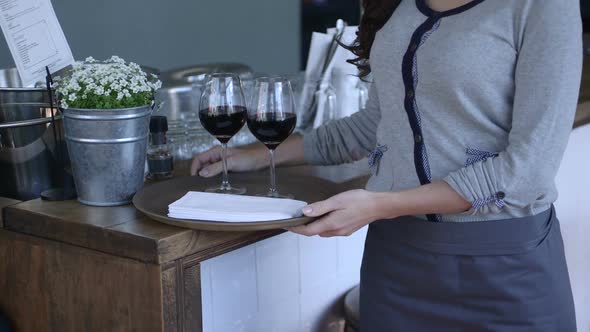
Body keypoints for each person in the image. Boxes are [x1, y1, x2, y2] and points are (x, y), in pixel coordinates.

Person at [191, 0, 582, 330]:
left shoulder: (543, 6)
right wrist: (255, 155)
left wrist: (380, 205)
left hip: (506, 270)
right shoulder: (395, 4)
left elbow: (527, 169)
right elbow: (376, 124)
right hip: (397, 268)